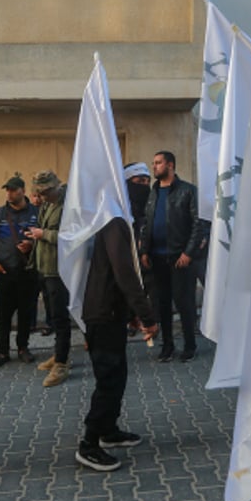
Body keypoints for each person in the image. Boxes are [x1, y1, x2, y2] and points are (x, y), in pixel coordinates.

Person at [75, 218, 159, 472]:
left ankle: (108, 430)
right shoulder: (114, 223)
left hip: (110, 312)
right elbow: (124, 273)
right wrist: (146, 315)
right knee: (109, 379)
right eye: (138, 182)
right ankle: (89, 444)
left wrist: (129, 313)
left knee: (117, 374)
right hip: (102, 314)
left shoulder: (114, 221)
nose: (143, 188)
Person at [138, 151, 202, 362]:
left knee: (184, 304)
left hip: (179, 258)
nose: (154, 167)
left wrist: (188, 253)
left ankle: (190, 345)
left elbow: (198, 225)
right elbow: (146, 223)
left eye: (158, 163)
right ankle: (167, 346)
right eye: (153, 163)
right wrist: (144, 250)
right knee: (162, 304)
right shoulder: (153, 193)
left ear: (170, 165)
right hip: (157, 258)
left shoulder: (188, 191)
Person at [0, 176, 39, 368]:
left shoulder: (36, 213)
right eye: (7, 190)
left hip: (27, 272)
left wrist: (31, 245)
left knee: (26, 313)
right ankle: (2, 351)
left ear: (22, 191)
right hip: (4, 273)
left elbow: (44, 238)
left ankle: (23, 348)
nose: (9, 193)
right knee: (3, 314)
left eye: (13, 190)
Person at [27, 170, 72, 388]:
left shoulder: (68, 205)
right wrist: (34, 240)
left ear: (55, 188)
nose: (42, 196)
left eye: (45, 192)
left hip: (58, 270)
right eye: (39, 193)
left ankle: (62, 363)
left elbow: (72, 235)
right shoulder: (47, 204)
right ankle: (58, 353)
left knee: (61, 318)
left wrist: (42, 235)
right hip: (44, 268)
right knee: (53, 316)